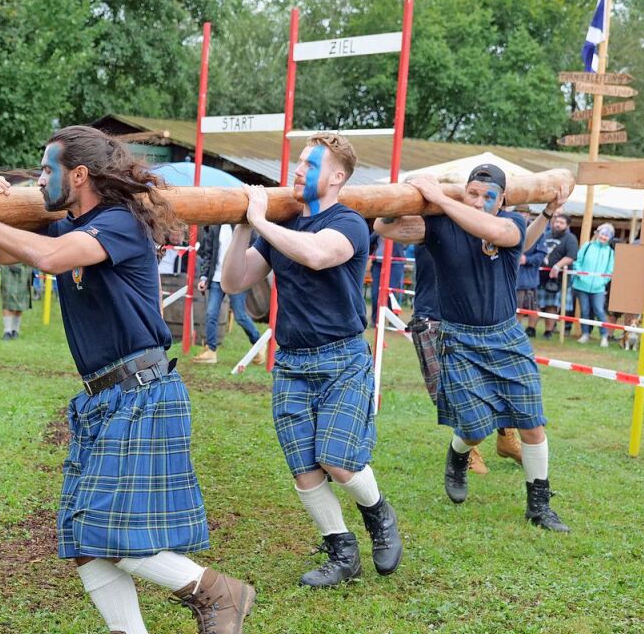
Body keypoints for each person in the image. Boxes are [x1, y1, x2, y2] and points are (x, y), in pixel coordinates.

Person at [0, 125, 254, 634]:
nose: (40, 179)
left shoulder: (116, 224)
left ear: (80, 175)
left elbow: (48, 258)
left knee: (117, 533)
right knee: (83, 535)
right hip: (102, 395)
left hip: (140, 392)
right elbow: (7, 249)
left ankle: (215, 590)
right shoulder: (74, 222)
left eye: (47, 169)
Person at [221, 133, 403, 589]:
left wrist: (262, 221)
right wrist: (243, 224)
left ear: (337, 176)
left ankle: (378, 513)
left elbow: (319, 255)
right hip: (292, 362)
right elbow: (234, 281)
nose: (298, 170)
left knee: (339, 461)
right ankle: (341, 552)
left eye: (310, 163)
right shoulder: (281, 227)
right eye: (299, 162)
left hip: (342, 358)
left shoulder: (350, 223)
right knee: (304, 469)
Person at [374, 164, 569, 532]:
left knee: (532, 424)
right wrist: (405, 200)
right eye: (472, 194)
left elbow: (493, 230)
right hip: (459, 337)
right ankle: (457, 455)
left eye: (487, 196)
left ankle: (539, 506)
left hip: (506, 335)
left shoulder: (511, 224)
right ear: (463, 192)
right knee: (474, 427)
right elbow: (384, 228)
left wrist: (439, 198)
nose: (479, 202)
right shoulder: (439, 224)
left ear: (503, 201)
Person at [408, 240, 523, 474]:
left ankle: (506, 437)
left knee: (499, 380)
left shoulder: (478, 226)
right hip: (433, 318)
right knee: (451, 392)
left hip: (472, 318)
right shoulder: (431, 225)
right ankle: (467, 450)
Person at [191, 224, 264, 366]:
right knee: (211, 314)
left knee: (240, 316)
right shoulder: (214, 228)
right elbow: (208, 254)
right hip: (216, 279)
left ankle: (259, 344)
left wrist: (248, 275)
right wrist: (204, 277)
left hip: (237, 279)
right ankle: (210, 351)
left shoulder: (244, 227)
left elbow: (256, 251)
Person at [533, 213, 578, 339]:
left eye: (561, 223)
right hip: (541, 277)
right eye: (556, 222)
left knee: (552, 305)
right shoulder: (545, 235)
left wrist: (557, 266)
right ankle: (531, 329)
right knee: (535, 304)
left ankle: (549, 331)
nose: (558, 224)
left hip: (558, 280)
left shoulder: (570, 239)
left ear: (567, 225)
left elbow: (571, 256)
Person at [572, 223, 616, 347]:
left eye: (607, 235)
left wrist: (602, 282)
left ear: (610, 238)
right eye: (602, 234)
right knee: (584, 311)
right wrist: (581, 275)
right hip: (582, 285)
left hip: (598, 288)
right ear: (597, 234)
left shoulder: (610, 252)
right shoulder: (587, 246)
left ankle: (604, 336)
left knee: (599, 310)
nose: (604, 237)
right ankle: (585, 334)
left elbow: (609, 270)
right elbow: (577, 262)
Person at [516, 211, 547, 337]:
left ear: (529, 215)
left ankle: (531, 329)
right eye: (520, 213)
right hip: (511, 276)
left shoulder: (538, 232)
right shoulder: (510, 226)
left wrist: (526, 260)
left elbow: (541, 253)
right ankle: (515, 331)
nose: (523, 216)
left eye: (525, 213)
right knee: (514, 307)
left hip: (529, 277)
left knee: (531, 306)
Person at [0, 262, 33, 339]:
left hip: (24, 268)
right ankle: (7, 331)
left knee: (21, 301)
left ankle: (15, 330)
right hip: (8, 268)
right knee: (8, 299)